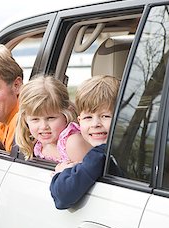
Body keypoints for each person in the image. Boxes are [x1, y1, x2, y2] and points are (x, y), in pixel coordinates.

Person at [49, 75, 120, 209]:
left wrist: (61, 173)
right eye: (88, 117)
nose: (95, 124)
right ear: (79, 121)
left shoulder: (98, 156)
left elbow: (63, 197)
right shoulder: (133, 148)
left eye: (105, 116)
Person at [15, 75, 91, 164]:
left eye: (51, 118)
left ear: (67, 114)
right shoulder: (36, 142)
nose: (43, 126)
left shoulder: (72, 142)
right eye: (35, 119)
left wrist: (64, 172)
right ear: (25, 119)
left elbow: (84, 175)